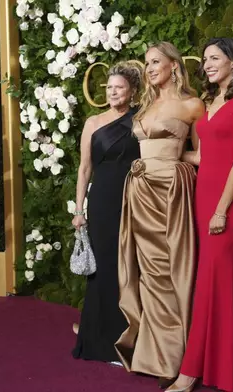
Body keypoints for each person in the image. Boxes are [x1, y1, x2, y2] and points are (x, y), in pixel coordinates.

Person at [167, 37, 233, 392]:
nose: (207, 64)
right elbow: (203, 157)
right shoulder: (210, 102)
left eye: (215, 58)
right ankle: (227, 364)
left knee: (212, 280)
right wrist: (165, 154)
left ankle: (191, 372)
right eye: (205, 58)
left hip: (229, 200)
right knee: (214, 281)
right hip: (203, 195)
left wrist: (222, 210)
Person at [114, 42, 204, 388]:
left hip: (170, 192)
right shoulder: (146, 105)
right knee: (148, 271)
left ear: (174, 66)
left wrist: (172, 161)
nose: (150, 68)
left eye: (156, 62)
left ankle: (177, 357)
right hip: (139, 189)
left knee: (169, 269)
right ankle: (152, 355)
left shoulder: (192, 105)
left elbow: (202, 155)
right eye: (147, 63)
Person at [70, 61, 142, 363]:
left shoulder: (140, 120)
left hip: (132, 200)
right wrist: (78, 209)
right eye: (109, 87)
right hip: (100, 202)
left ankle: (130, 338)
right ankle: (101, 340)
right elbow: (85, 168)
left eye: (119, 88)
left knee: (129, 268)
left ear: (132, 91)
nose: (112, 92)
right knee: (104, 271)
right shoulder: (94, 123)